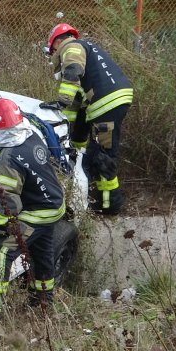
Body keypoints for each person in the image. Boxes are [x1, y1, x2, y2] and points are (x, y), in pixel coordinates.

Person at [0, 98, 67, 312]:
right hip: (55, 205)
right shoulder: (32, 135)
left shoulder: (9, 158)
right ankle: (42, 303)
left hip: (36, 213)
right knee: (42, 253)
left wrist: (0, 228)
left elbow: (10, 202)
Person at [40, 23, 133, 215]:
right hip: (113, 101)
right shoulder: (85, 47)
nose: (53, 55)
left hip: (106, 105)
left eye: (52, 50)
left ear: (57, 41)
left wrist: (61, 102)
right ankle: (103, 198)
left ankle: (109, 205)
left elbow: (73, 72)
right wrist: (74, 141)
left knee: (103, 155)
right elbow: (80, 106)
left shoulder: (70, 48)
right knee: (99, 151)